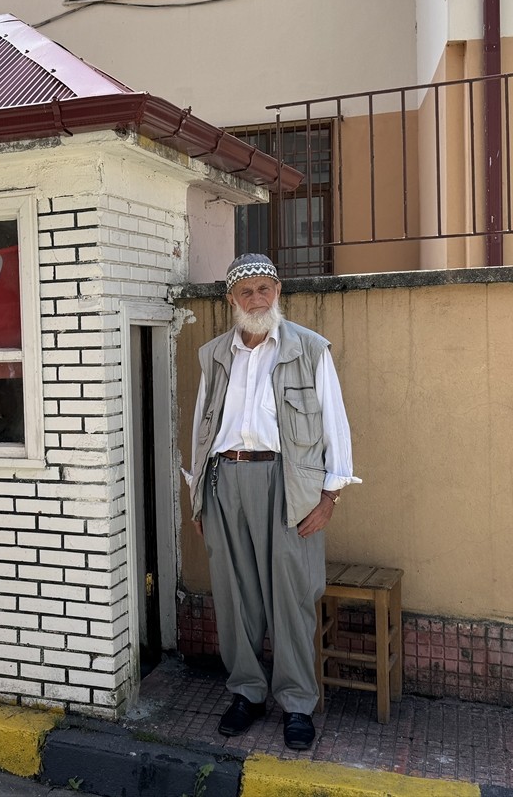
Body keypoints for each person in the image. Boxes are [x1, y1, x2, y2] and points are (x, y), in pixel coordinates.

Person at [184, 253, 360, 751]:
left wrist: (330, 495)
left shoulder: (309, 349)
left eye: (265, 288)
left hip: (288, 484)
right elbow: (201, 427)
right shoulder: (215, 355)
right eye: (246, 291)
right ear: (231, 299)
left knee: (292, 594)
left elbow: (335, 423)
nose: (257, 299)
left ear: (278, 291)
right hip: (224, 481)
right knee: (234, 594)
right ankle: (246, 692)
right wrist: (198, 497)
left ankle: (297, 702)